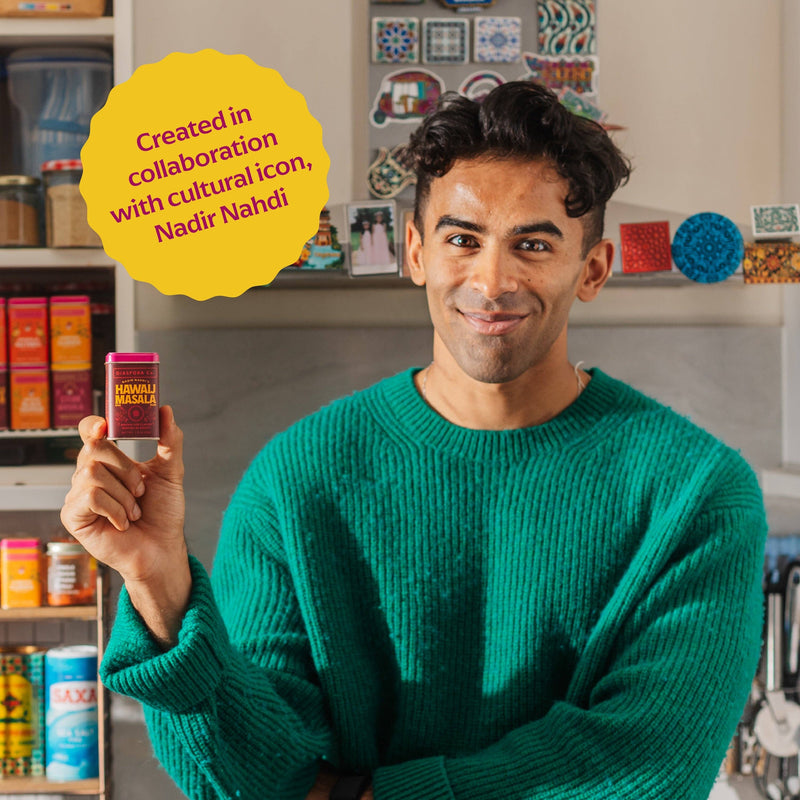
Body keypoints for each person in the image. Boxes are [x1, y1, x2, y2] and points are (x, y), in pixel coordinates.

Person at [61, 81, 767, 800]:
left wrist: (359, 795)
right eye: (463, 239)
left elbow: (646, 765)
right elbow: (249, 775)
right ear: (415, 253)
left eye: (533, 244)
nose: (491, 281)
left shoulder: (698, 493)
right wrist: (156, 580)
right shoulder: (295, 480)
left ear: (592, 270)